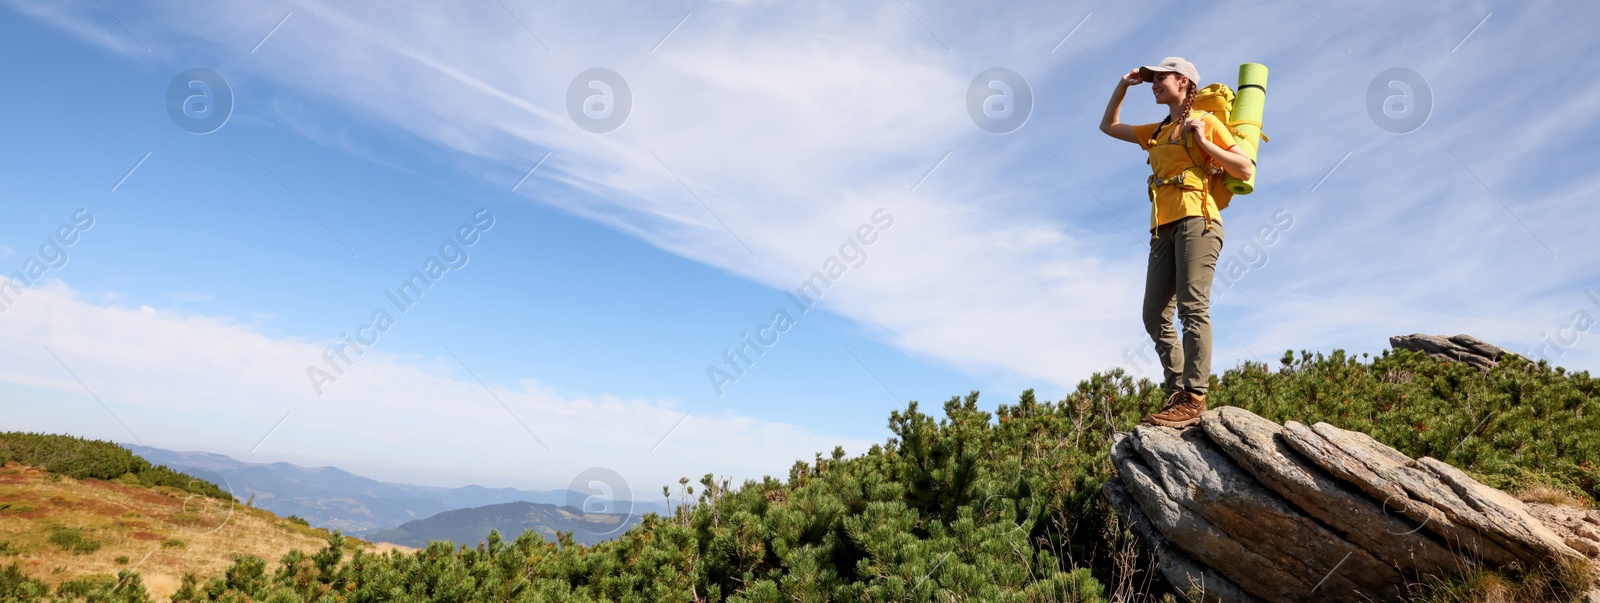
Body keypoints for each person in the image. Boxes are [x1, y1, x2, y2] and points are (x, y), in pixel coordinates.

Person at [1099, 57, 1255, 428]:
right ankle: (1177, 390)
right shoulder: (1155, 131)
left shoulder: (1205, 122)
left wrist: (1203, 141)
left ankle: (1194, 396)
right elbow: (1108, 126)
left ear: (1183, 81)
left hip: (1198, 220)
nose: (1153, 83)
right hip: (1162, 228)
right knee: (1154, 314)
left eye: (1160, 77)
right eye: (1150, 79)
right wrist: (1124, 84)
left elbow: (1245, 168)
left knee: (1192, 309)